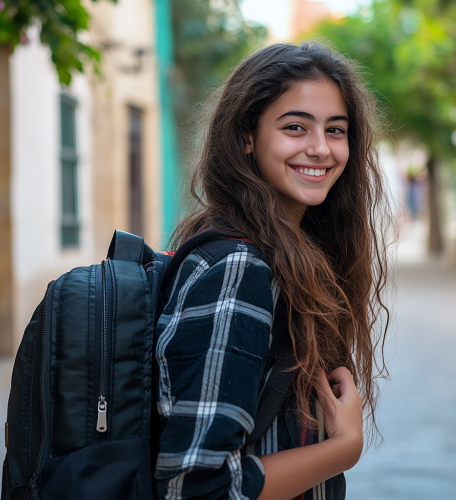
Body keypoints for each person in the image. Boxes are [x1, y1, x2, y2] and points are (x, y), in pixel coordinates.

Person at [154, 41, 391, 500]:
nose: (321, 149)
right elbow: (199, 487)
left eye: (336, 130)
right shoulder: (239, 269)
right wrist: (342, 449)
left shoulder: (293, 256)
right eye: (295, 127)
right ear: (247, 135)